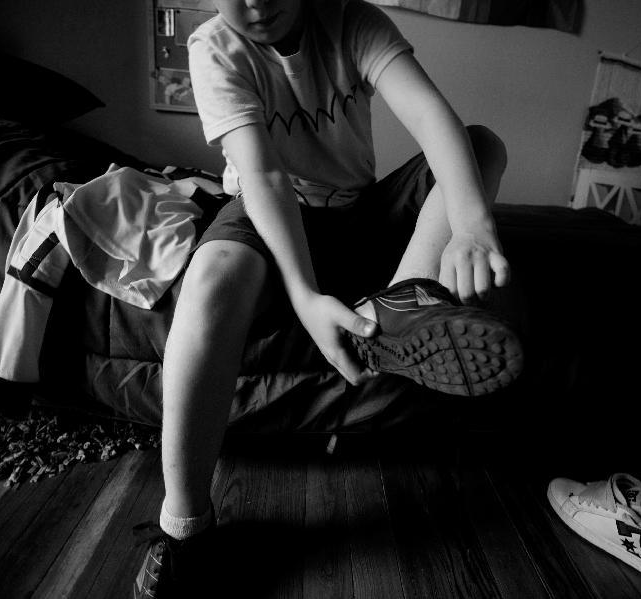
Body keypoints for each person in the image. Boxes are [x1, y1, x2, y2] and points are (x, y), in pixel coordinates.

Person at [133, 0, 523, 596]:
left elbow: (428, 114)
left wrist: (470, 223)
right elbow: (263, 180)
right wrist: (305, 295)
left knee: (483, 144)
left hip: (359, 213)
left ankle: (398, 304)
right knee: (211, 276)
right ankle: (185, 526)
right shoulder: (213, 47)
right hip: (269, 219)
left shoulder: (351, 22)